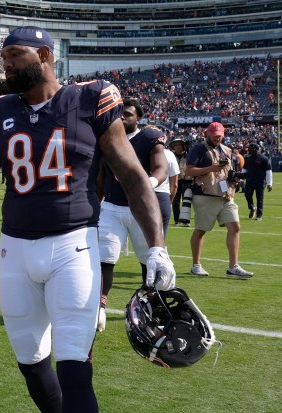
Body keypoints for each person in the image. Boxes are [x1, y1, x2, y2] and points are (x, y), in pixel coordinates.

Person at [0, 27, 175, 413]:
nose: (6, 64)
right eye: (3, 58)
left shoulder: (89, 98)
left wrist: (157, 247)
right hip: (15, 251)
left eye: (15, 56)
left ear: (44, 55)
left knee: (75, 370)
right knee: (33, 368)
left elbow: (133, 176)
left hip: (73, 246)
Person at [96, 99, 169, 332]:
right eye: (120, 114)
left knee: (149, 261)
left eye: (127, 114)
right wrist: (94, 205)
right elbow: (100, 178)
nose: (122, 118)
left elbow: (162, 168)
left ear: (138, 118)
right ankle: (99, 306)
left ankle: (151, 307)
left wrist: (149, 182)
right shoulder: (106, 137)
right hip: (112, 208)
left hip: (141, 209)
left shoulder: (149, 138)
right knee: (104, 258)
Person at [185, 122, 253, 279]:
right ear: (207, 134)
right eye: (215, 135)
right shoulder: (198, 148)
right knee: (201, 230)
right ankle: (196, 265)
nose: (217, 138)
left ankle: (233, 266)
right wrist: (211, 168)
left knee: (235, 226)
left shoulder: (226, 150)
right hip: (205, 194)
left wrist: (235, 177)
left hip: (225, 194)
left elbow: (228, 171)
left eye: (220, 135)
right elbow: (188, 171)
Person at [242, 142, 272, 221]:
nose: (248, 150)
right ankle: (252, 208)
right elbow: (244, 169)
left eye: (250, 149)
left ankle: (259, 215)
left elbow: (268, 171)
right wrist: (241, 180)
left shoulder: (264, 159)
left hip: (260, 182)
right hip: (249, 181)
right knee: (247, 195)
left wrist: (269, 183)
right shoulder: (247, 158)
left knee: (259, 199)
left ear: (255, 150)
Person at [169, 137, 193, 226]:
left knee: (187, 201)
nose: (176, 147)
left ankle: (186, 221)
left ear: (183, 146)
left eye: (178, 145)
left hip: (188, 180)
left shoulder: (189, 154)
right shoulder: (172, 156)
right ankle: (177, 220)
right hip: (175, 180)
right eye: (175, 145)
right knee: (175, 201)